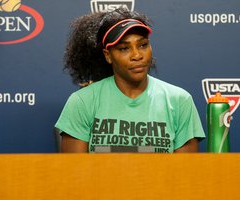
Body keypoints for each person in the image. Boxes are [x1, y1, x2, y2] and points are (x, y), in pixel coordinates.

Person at [55, 8, 205, 153]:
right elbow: (74, 174)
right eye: (124, 48)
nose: (137, 55)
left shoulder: (179, 101)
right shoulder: (82, 102)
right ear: (108, 55)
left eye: (143, 45)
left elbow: (184, 175)